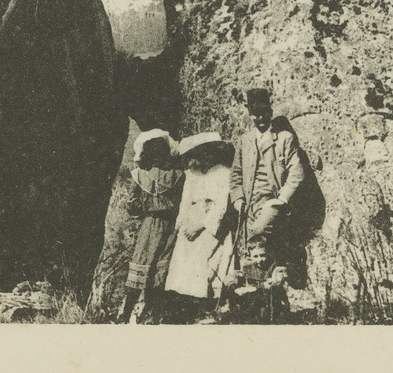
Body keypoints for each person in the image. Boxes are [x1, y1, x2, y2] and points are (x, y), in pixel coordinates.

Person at [228, 87, 307, 321]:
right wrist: (238, 199)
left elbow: (297, 174)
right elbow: (235, 175)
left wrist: (281, 199)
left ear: (270, 111)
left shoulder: (284, 139)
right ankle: (262, 305)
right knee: (252, 253)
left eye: (263, 112)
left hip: (273, 202)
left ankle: (269, 298)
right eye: (254, 113)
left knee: (258, 232)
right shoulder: (244, 140)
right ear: (249, 113)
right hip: (249, 203)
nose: (259, 118)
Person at [166, 132, 237, 321]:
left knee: (204, 262)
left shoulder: (223, 173)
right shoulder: (192, 175)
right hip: (190, 221)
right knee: (182, 263)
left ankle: (205, 308)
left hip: (210, 225)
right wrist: (181, 225)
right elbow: (185, 202)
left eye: (203, 154)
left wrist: (200, 225)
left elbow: (222, 206)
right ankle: (183, 308)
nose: (198, 159)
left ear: (211, 153)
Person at [122, 128, 183, 323]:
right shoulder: (178, 174)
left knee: (144, 264)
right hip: (170, 225)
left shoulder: (141, 175)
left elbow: (133, 206)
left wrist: (142, 207)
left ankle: (130, 312)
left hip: (151, 225)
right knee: (159, 268)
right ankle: (150, 313)